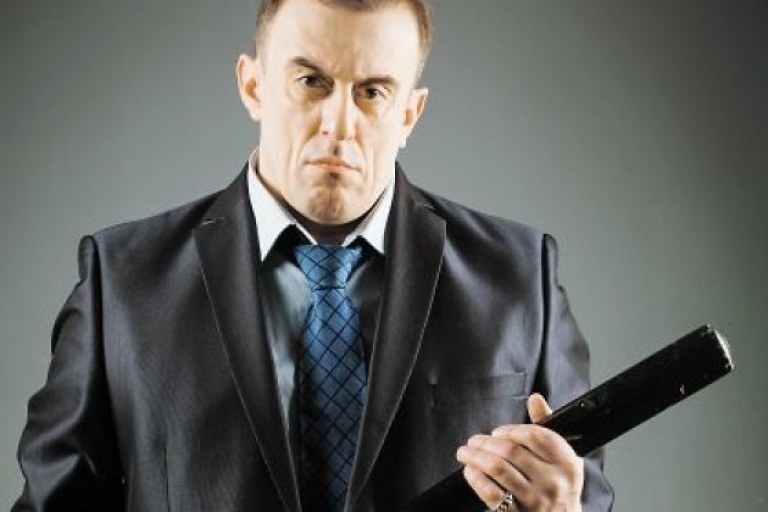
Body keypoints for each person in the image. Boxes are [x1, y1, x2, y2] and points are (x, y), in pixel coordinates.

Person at [13, 0, 613, 510]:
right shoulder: (121, 281)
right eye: (311, 82)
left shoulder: (520, 277)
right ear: (253, 86)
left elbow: (588, 498)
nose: (339, 124)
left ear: (409, 113)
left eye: (372, 92)